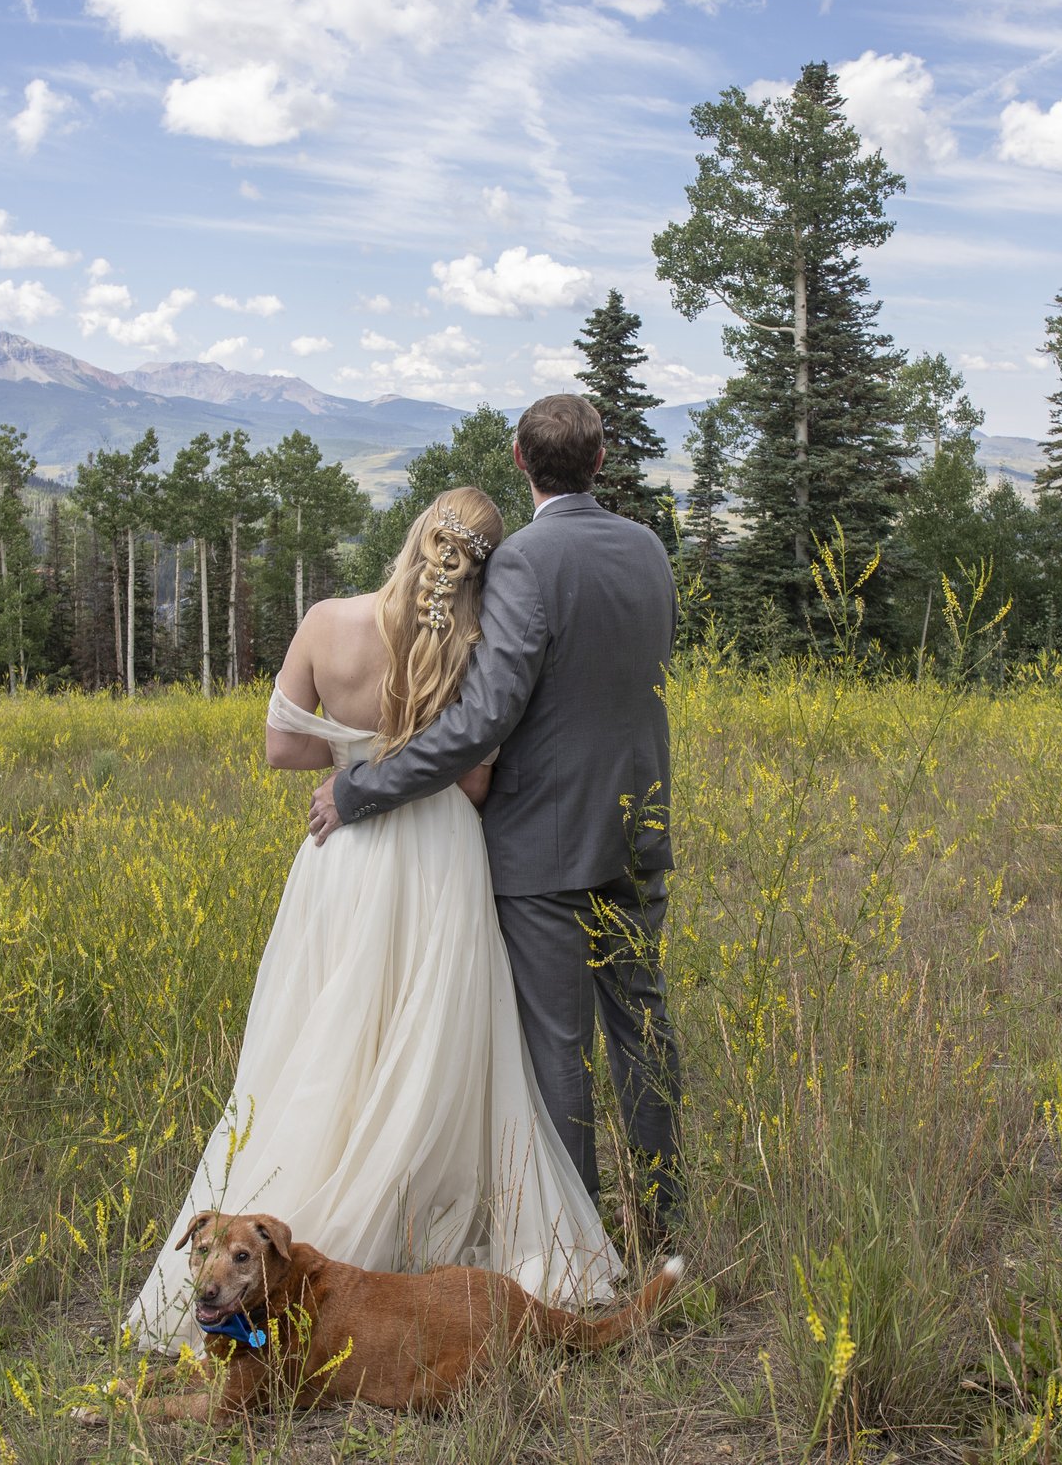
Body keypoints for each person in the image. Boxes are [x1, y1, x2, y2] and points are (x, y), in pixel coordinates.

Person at [123, 484, 622, 1351]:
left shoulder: (326, 620)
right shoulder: (470, 647)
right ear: (481, 566)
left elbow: (281, 745)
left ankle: (275, 1256)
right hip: (438, 859)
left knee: (323, 1039)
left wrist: (357, 754)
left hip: (341, 855)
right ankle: (414, 1225)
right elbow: (471, 780)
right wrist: (406, 751)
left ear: (416, 532)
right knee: (434, 1049)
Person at [311, 393, 683, 1245]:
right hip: (637, 828)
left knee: (559, 1046)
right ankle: (665, 1223)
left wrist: (363, 788)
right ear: (600, 459)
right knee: (646, 1026)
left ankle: (577, 1238)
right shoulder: (649, 550)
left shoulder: (520, 563)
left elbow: (483, 721)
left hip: (545, 846)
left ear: (520, 458)